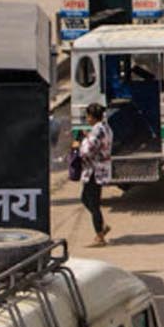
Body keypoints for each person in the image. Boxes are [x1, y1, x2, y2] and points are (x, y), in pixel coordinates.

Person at [75, 103, 113, 246]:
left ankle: (100, 235)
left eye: (88, 116)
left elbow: (87, 151)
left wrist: (82, 142)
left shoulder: (97, 130)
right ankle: (102, 226)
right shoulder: (106, 128)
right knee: (85, 198)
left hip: (94, 171)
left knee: (93, 202)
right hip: (99, 169)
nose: (87, 119)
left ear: (91, 117)